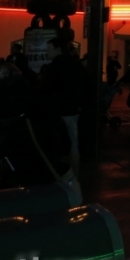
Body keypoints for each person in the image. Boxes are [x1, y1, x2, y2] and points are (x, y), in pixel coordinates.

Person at [43, 37, 89, 176]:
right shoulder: (76, 65)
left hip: (57, 111)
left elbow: (47, 89)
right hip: (72, 109)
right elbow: (86, 86)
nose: (47, 52)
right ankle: (73, 174)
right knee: (73, 143)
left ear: (58, 49)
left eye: (49, 48)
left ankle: (58, 173)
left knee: (56, 144)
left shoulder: (52, 67)